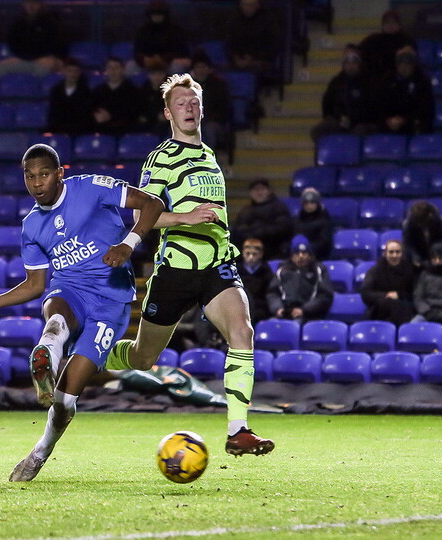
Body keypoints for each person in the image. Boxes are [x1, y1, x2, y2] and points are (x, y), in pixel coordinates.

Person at [0, 143, 165, 481]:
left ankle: (40, 451)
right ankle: (47, 354)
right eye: (30, 176)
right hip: (70, 289)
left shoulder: (92, 188)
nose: (37, 183)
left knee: (65, 400)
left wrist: (128, 243)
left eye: (44, 175)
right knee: (56, 317)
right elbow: (35, 286)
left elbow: (153, 203)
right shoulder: (32, 226)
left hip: (111, 301)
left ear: (60, 173)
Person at [105, 73, 275, 457]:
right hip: (176, 269)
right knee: (144, 359)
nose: (189, 107)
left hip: (217, 264)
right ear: (168, 113)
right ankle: (96, 354)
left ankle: (239, 431)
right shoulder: (160, 157)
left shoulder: (211, 155)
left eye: (194, 101)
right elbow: (142, 219)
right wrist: (186, 217)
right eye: (181, 103)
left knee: (242, 333)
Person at [310, 44, 377, 142]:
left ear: (359, 65)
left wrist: (353, 119)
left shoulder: (368, 82)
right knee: (317, 131)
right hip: (340, 121)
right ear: (343, 65)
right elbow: (327, 104)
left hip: (361, 122)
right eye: (348, 63)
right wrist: (337, 118)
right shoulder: (336, 82)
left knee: (358, 133)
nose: (351, 66)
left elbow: (371, 108)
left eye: (354, 63)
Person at [266, 235, 334, 323]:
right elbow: (273, 293)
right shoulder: (282, 269)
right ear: (292, 255)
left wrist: (304, 310)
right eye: (297, 253)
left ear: (310, 255)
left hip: (309, 315)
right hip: (284, 312)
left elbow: (325, 295)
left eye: (304, 253)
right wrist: (277, 308)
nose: (301, 256)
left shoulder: (319, 269)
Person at [0, 0, 66, 76]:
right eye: (27, 3)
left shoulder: (52, 21)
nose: (31, 6)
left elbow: (56, 44)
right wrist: (22, 56)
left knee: (42, 66)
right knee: (0, 67)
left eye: (34, 3)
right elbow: (13, 43)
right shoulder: (18, 23)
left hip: (50, 58)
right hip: (26, 58)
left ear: (41, 4)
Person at [231, 179, 294, 261]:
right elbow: (238, 230)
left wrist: (261, 232)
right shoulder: (245, 211)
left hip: (272, 250)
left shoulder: (279, 208)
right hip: (248, 250)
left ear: (268, 191)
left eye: (262, 189)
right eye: (255, 190)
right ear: (251, 193)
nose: (259, 192)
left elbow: (283, 228)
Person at [377, 47, 434, 135]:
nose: (403, 67)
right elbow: (381, 104)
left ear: (413, 65)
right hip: (390, 125)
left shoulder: (422, 82)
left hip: (413, 125)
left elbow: (425, 108)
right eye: (400, 63)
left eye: (407, 63)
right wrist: (388, 119)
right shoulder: (388, 81)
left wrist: (404, 120)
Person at [361, 239, 416, 326]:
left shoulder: (410, 271)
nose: (394, 255)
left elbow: (415, 294)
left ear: (402, 254)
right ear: (385, 254)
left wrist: (399, 295)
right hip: (380, 311)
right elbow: (365, 293)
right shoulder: (375, 271)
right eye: (391, 252)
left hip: (404, 311)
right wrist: (386, 295)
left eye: (397, 252)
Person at [190, 51, 233, 154]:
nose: (200, 70)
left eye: (203, 67)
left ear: (209, 69)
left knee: (209, 130)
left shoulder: (219, 85)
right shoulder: (187, 86)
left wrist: (206, 118)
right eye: (198, 67)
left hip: (213, 122)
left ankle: (208, 162)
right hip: (192, 121)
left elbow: (224, 108)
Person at [224, 0, 280, 78]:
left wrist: (255, 60)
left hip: (261, 60)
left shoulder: (268, 20)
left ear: (258, 5)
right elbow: (229, 42)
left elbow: (273, 43)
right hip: (238, 60)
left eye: (251, 5)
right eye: (245, 5)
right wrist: (236, 58)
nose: (248, 8)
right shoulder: (234, 19)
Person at [133, 1, 190, 72]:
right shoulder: (143, 31)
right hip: (148, 63)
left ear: (165, 15)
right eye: (154, 14)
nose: (156, 16)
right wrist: (144, 59)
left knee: (177, 66)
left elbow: (181, 51)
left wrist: (164, 59)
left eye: (159, 14)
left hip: (170, 62)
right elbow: (137, 51)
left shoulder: (175, 30)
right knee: (131, 67)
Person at [358, 10, 416, 80]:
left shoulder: (407, 41)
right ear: (383, 25)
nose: (390, 25)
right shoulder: (373, 40)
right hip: (378, 81)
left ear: (399, 25)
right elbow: (357, 50)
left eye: (393, 22)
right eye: (387, 22)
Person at [92, 57, 141, 136]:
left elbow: (133, 113)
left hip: (124, 131)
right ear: (106, 70)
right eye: (110, 67)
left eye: (116, 68)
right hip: (101, 131)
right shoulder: (98, 91)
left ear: (122, 69)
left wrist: (111, 117)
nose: (113, 71)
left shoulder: (132, 90)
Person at [46, 57, 94, 136]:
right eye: (70, 71)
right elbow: (53, 113)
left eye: (75, 71)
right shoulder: (56, 91)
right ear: (64, 71)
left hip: (78, 131)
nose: (72, 74)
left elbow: (85, 115)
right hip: (58, 129)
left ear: (79, 73)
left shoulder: (86, 92)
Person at [402, 200, 442, 269]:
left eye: (421, 222)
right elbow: (408, 245)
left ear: (429, 216)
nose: (419, 225)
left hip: (438, 256)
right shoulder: (408, 225)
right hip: (417, 259)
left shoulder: (441, 223)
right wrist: (415, 257)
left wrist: (436, 256)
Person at [237, 237, 272, 325]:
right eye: (248, 254)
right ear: (243, 253)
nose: (251, 257)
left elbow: (268, 293)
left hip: (259, 308)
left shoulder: (266, 271)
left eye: (254, 254)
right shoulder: (237, 270)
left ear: (261, 254)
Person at [293, 188, 333, 261]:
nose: (309, 206)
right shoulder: (297, 219)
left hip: (318, 257)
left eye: (312, 203)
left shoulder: (325, 220)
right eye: (306, 203)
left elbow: (324, 242)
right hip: (297, 255)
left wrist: (307, 250)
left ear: (317, 203)